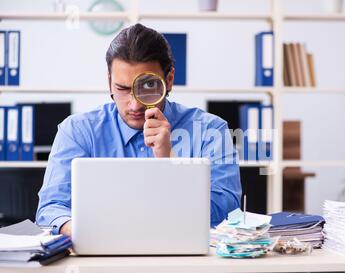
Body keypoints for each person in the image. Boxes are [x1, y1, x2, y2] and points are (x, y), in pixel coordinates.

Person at [36, 23, 242, 236]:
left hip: (185, 261)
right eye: (122, 89)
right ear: (109, 82)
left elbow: (227, 214)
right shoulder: (78, 131)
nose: (134, 105)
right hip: (100, 259)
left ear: (169, 80)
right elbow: (50, 209)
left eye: (148, 87)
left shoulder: (210, 130)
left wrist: (170, 163)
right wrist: (84, 233)